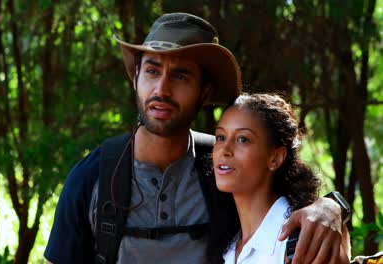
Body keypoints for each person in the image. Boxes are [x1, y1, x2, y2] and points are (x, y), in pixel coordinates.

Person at [44, 13, 348, 264]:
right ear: (135, 78)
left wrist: (333, 207)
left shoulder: (220, 168)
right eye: (152, 71)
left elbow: (291, 194)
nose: (161, 89)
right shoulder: (92, 177)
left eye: (180, 76)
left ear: (204, 91)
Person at [208, 93, 351, 263]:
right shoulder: (228, 247)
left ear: (275, 158)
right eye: (220, 137)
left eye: (243, 139)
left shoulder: (306, 239)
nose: (225, 150)